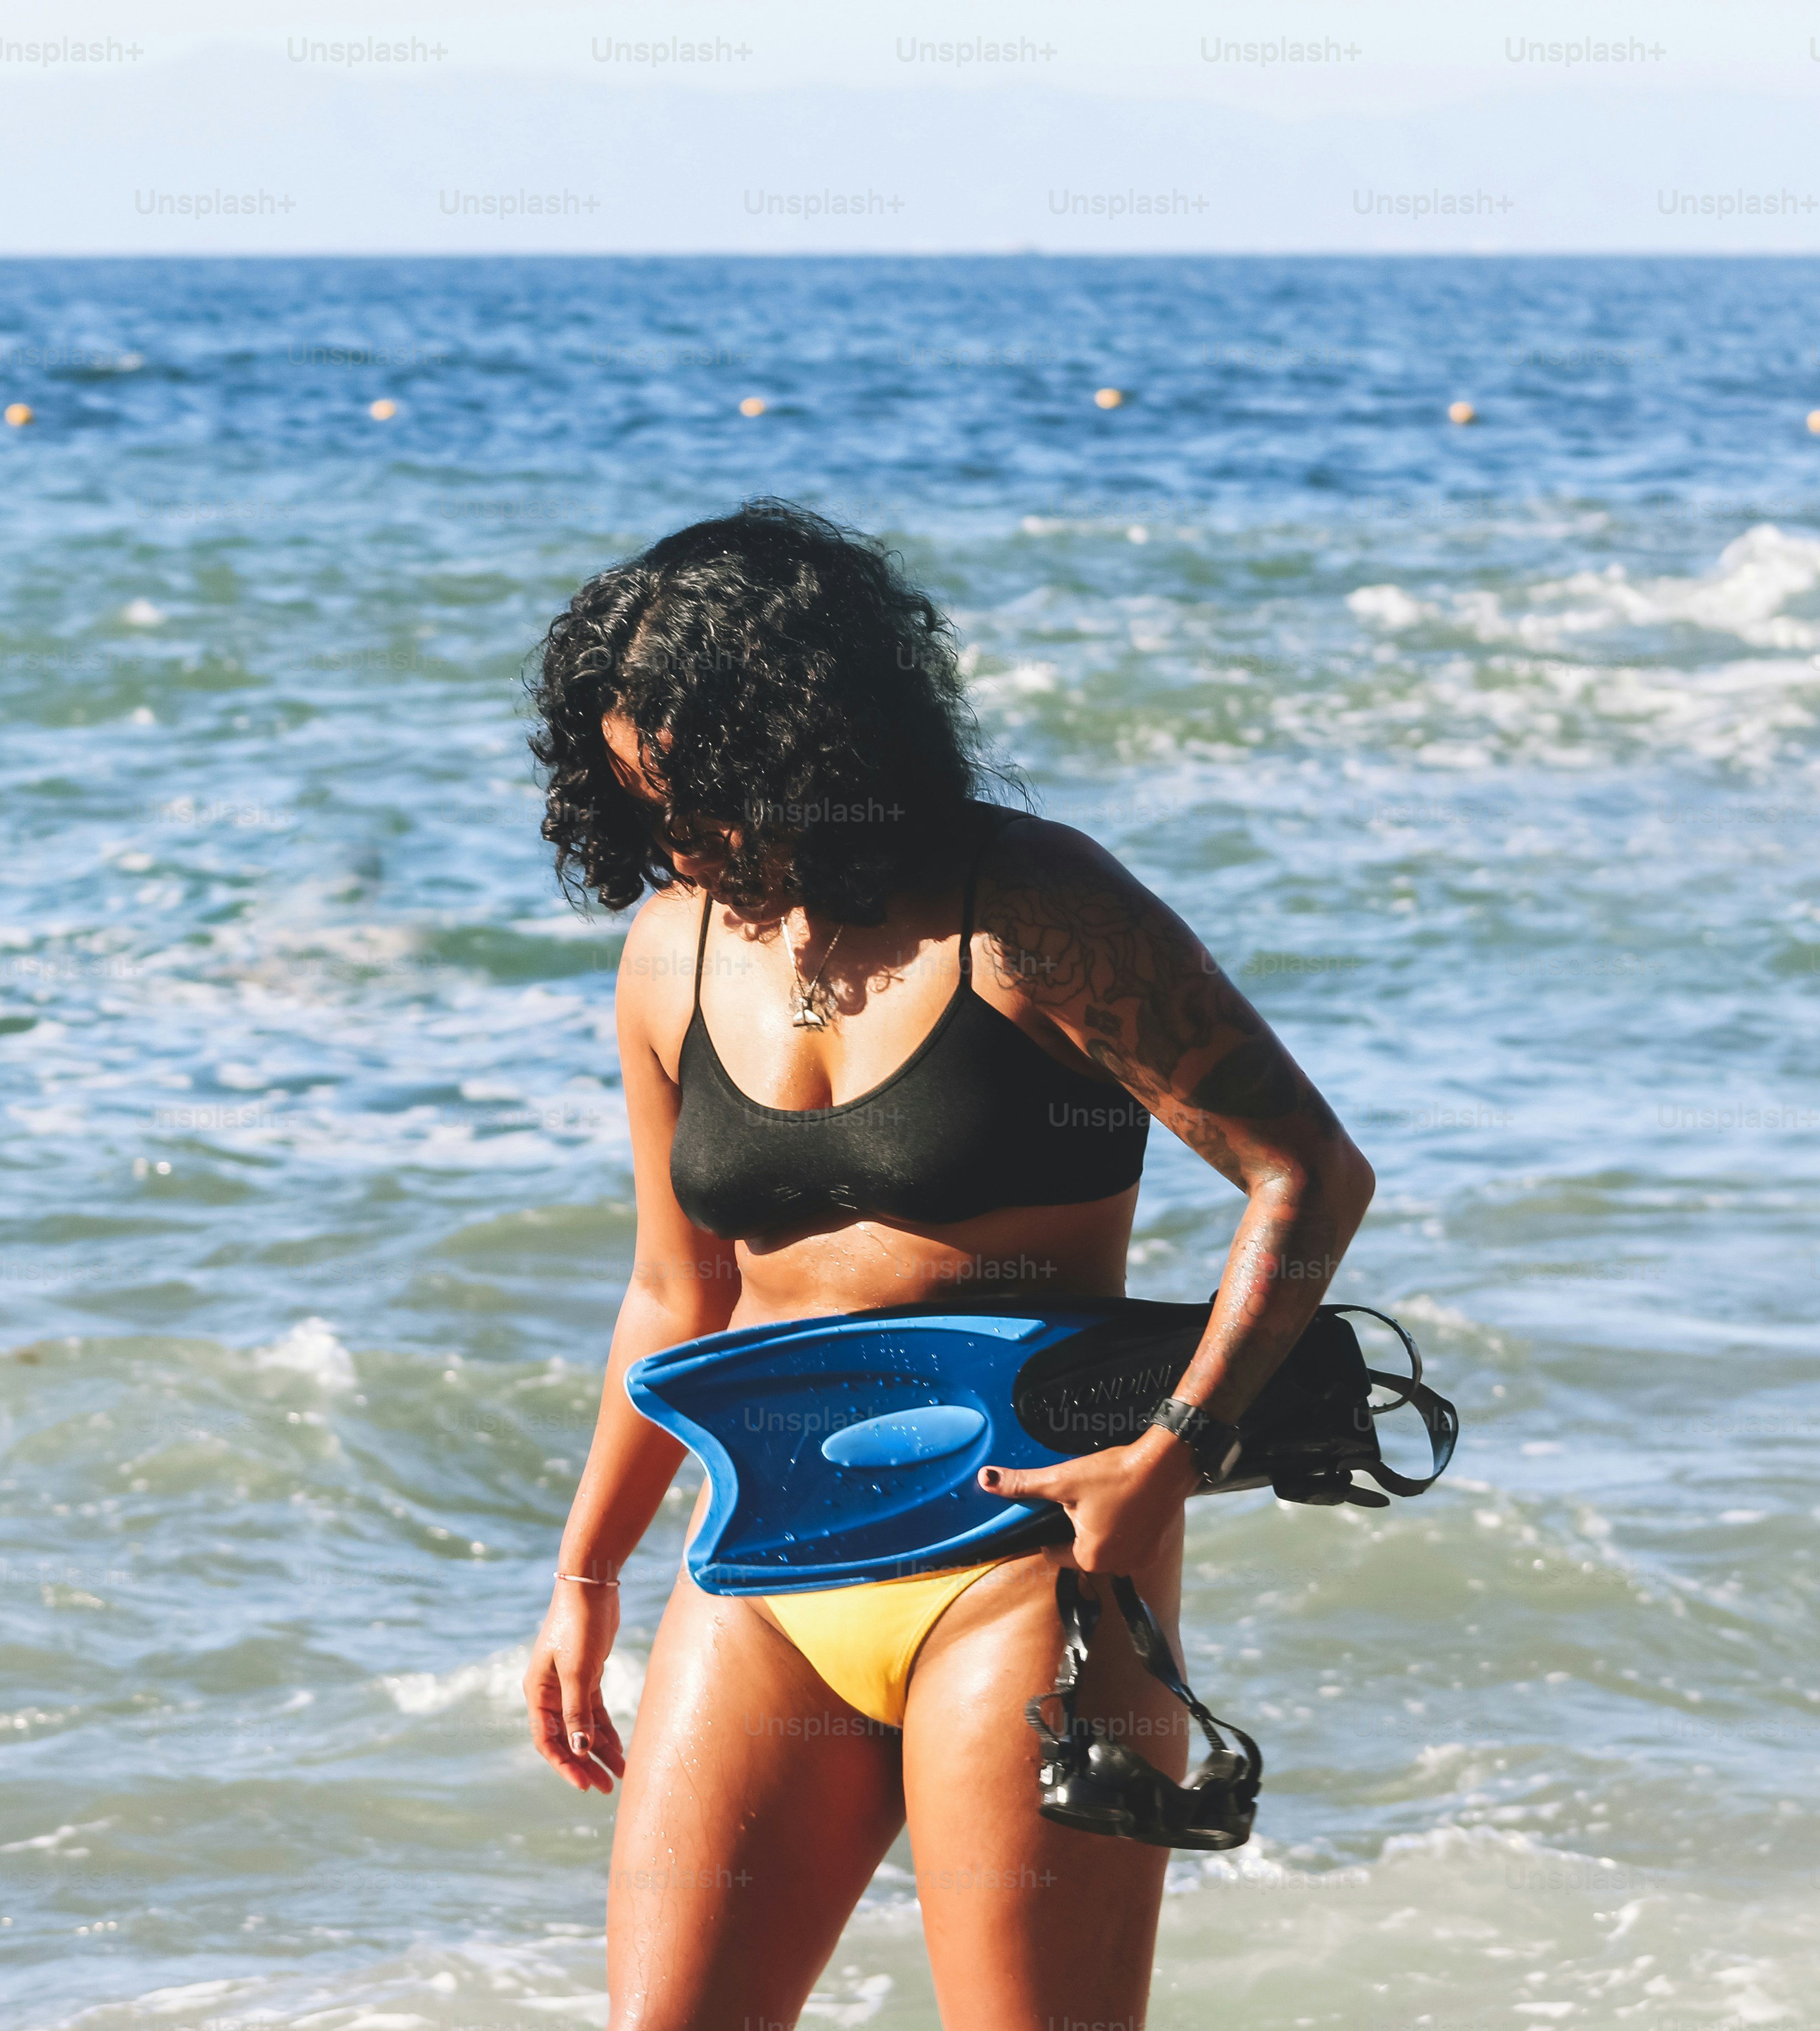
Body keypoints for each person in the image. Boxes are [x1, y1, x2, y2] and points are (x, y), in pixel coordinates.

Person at [517, 500, 1377, 2031]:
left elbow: (1303, 1172)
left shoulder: (1030, 911)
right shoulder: (673, 949)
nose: (678, 840)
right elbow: (677, 1291)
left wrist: (1173, 1455)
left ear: (804, 747)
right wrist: (586, 1575)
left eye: (698, 794)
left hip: (1031, 1559)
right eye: (643, 801)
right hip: (767, 1559)